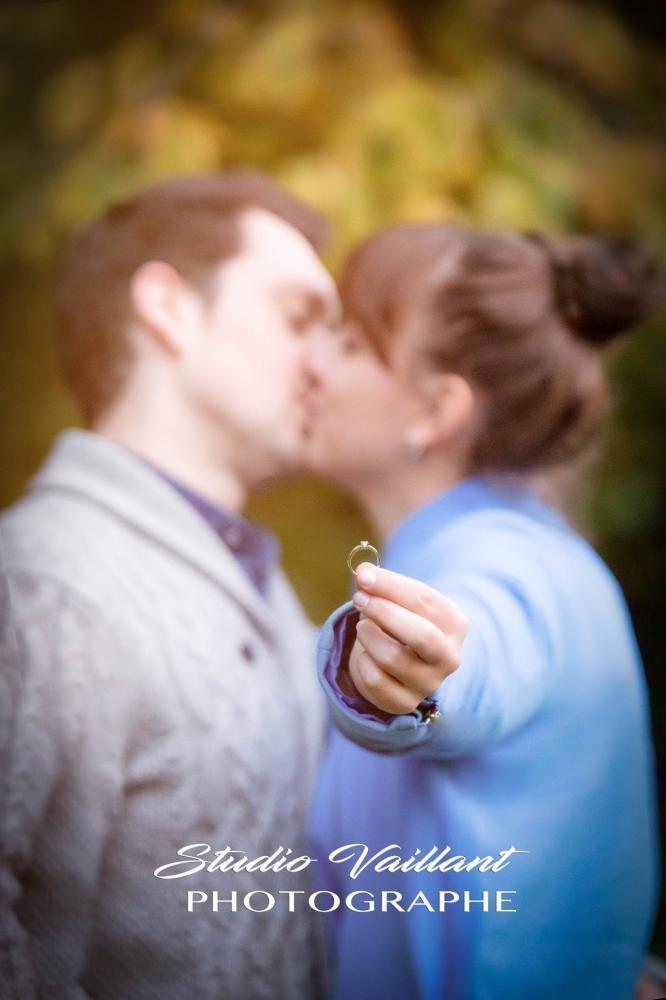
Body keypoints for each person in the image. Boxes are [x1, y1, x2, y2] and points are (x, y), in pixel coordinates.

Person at [0, 174, 463, 999]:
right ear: (169, 308)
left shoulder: (262, 586)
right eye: (298, 319)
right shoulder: (44, 583)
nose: (328, 363)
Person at [304, 222, 663, 999]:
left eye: (352, 345)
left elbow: (480, 653)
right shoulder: (513, 550)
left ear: (435, 409)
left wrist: (418, 676)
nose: (313, 362)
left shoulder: (511, 564)